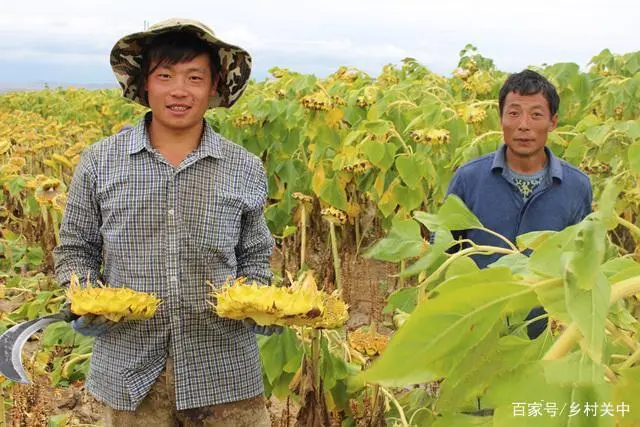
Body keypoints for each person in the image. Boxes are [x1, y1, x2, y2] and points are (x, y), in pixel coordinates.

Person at [54, 18, 276, 426]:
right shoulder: (101, 162)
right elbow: (75, 250)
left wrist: (263, 304)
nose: (179, 90)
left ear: (213, 88)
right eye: (165, 75)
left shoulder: (243, 168)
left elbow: (256, 257)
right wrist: (84, 298)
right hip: (130, 374)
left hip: (226, 374)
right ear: (144, 85)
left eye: (195, 77)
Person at [445, 69, 592, 338]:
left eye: (536, 115)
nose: (524, 125)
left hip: (545, 333)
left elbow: (581, 264)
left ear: (553, 122)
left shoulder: (576, 186)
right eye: (513, 113)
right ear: (500, 119)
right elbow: (445, 250)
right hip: (479, 326)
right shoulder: (468, 178)